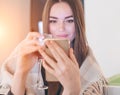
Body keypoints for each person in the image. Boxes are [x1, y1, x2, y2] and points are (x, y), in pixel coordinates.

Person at [1, 0, 107, 95]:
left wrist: (72, 89)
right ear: (46, 23)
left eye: (69, 20)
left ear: (78, 24)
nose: (61, 28)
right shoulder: (28, 52)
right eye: (53, 21)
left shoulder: (88, 65)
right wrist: (21, 72)